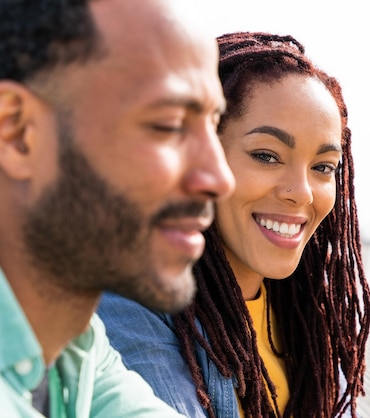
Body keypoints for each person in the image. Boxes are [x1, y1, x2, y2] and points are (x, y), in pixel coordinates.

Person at [99, 31, 370, 418]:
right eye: (267, 155)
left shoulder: (310, 312)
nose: (302, 193)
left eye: (323, 167)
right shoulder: (129, 306)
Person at [0, 0, 235, 416]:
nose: (220, 178)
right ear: (19, 132)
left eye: (214, 126)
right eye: (168, 126)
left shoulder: (76, 351)